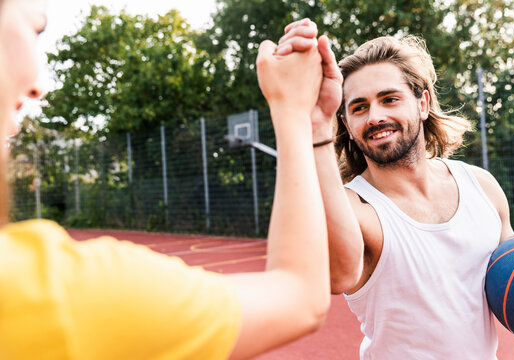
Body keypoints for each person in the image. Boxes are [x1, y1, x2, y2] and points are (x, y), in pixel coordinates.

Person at [0, 2, 331, 358]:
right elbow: (299, 295)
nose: (37, 88)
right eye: (36, 29)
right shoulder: (62, 295)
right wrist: (294, 111)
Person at [276, 20, 514, 359]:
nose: (374, 116)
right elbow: (336, 277)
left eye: (389, 99)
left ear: (422, 103)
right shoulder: (356, 209)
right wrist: (314, 121)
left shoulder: (482, 187)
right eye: (359, 107)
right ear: (346, 124)